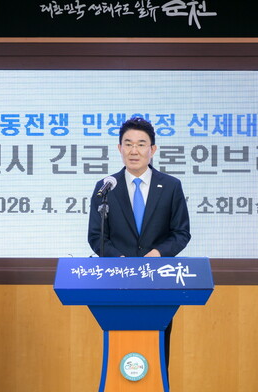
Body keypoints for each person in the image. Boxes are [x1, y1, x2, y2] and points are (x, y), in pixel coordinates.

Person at [87, 116, 191, 373]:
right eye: (128, 144)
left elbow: (181, 233)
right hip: (117, 281)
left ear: (152, 149)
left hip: (158, 281)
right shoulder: (106, 187)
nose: (134, 150)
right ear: (119, 148)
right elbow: (96, 236)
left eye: (141, 144)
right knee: (119, 353)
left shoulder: (170, 186)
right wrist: (119, 260)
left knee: (157, 354)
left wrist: (158, 253)